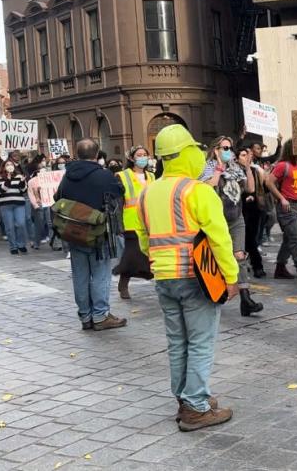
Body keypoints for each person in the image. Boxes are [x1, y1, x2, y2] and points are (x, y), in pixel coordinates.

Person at [135, 124, 237, 431]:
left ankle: (186, 397)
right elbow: (219, 238)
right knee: (201, 342)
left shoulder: (146, 192)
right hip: (196, 277)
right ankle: (196, 406)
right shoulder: (198, 190)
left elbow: (144, 238)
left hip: (164, 277)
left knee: (177, 341)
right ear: (188, 153)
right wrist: (231, 277)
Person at [56, 138, 127, 331]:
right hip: (98, 232)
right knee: (100, 274)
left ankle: (85, 316)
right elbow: (119, 194)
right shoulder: (104, 176)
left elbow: (57, 198)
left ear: (78, 154)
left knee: (80, 275)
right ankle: (100, 315)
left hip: (73, 231)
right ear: (97, 154)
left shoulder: (67, 175)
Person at [201, 136, 263, 315]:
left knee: (239, 255)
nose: (229, 152)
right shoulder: (208, 167)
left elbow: (250, 189)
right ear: (216, 150)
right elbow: (208, 186)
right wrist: (219, 168)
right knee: (215, 258)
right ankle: (211, 293)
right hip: (216, 220)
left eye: (230, 148)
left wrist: (247, 168)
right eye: (225, 148)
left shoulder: (236, 169)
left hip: (236, 218)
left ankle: (246, 299)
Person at [112, 146, 156, 300]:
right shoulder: (122, 176)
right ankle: (124, 283)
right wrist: (119, 225)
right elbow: (118, 202)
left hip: (149, 222)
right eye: (139, 155)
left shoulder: (151, 176)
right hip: (131, 222)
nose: (143, 158)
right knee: (132, 254)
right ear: (131, 158)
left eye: (145, 155)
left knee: (148, 254)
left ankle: (153, 278)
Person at [265, 139, 297, 284]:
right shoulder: (283, 165)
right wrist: (282, 198)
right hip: (286, 207)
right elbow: (269, 182)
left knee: (290, 238)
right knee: (296, 238)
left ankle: (280, 268)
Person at [236, 145, 267, 279]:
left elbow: (255, 188)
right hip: (239, 210)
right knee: (245, 241)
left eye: (248, 154)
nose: (247, 157)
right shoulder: (233, 171)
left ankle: (255, 265)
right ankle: (254, 266)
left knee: (251, 240)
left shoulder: (254, 170)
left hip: (253, 209)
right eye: (243, 155)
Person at [0, 160, 29, 255]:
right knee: (10, 227)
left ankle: (21, 244)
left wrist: (23, 182)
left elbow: (23, 190)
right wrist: (8, 180)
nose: (9, 166)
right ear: (3, 167)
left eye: (11, 164)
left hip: (19, 203)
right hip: (5, 205)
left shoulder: (19, 176)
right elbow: (0, 191)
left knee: (21, 224)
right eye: (7, 165)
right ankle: (13, 246)